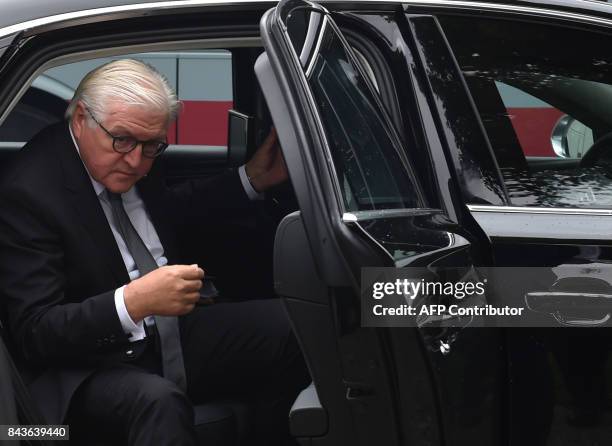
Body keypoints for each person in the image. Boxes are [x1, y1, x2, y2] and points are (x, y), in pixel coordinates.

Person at [0, 59, 309, 445]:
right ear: (81, 118)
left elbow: (170, 213)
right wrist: (133, 302)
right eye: (123, 140)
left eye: (152, 146)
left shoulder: (134, 151)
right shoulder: (29, 192)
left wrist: (253, 179)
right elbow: (35, 332)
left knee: (298, 325)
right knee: (157, 402)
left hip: (167, 332)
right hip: (87, 363)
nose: (136, 161)